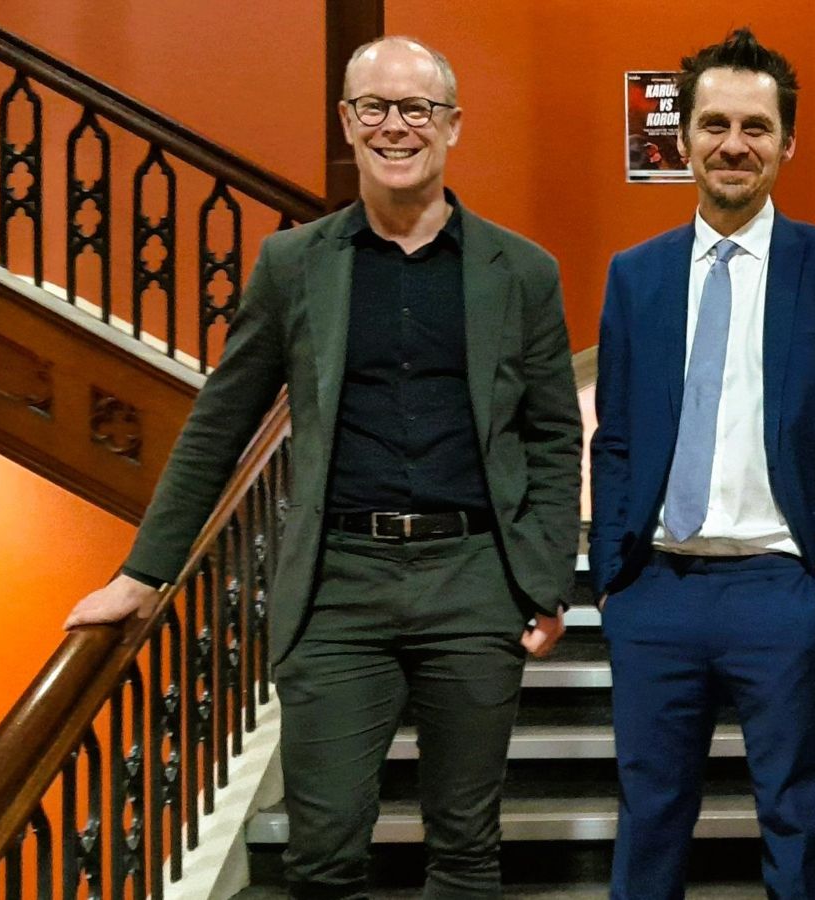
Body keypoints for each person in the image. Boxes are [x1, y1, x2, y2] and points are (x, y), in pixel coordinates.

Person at [64, 36, 583, 899]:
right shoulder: (293, 265)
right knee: (323, 854)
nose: (395, 126)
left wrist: (544, 576)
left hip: (472, 577)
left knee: (465, 847)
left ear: (452, 125)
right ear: (347, 122)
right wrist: (143, 573)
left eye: (416, 108)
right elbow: (218, 423)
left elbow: (554, 435)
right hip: (339, 582)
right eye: (373, 107)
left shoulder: (522, 271)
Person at [588, 28, 815, 900]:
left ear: (786, 144)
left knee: (798, 823)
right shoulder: (635, 276)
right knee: (649, 821)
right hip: (655, 595)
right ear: (682, 139)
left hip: (783, 594)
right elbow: (615, 438)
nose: (733, 144)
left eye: (755, 127)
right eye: (714, 123)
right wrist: (614, 578)